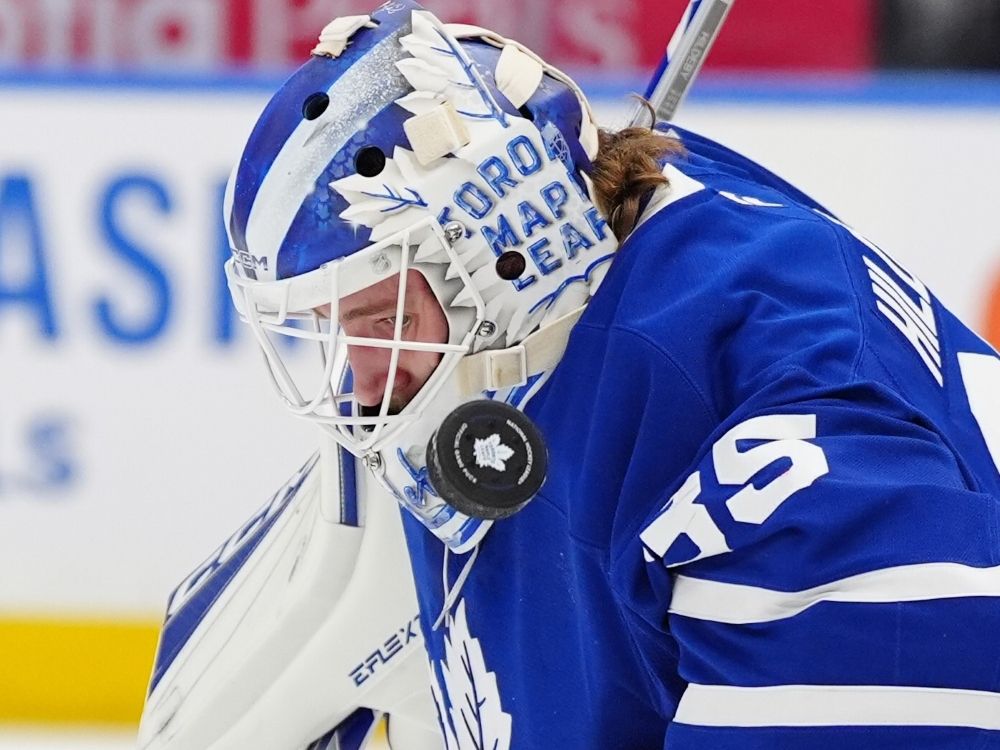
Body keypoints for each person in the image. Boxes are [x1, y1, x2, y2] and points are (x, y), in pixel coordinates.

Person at [154, 1, 1000, 747]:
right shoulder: (577, 265)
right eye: (338, 330)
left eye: (388, 320)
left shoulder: (789, 469)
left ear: (508, 258)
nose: (365, 387)